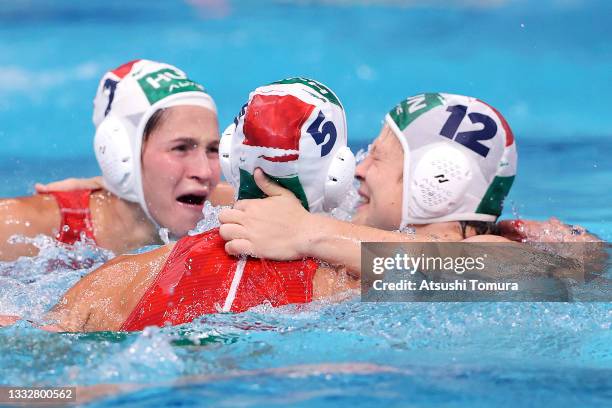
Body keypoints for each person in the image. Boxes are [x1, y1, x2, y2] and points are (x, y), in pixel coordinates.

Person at [25, 78, 360, 332]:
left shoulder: (118, 280)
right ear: (339, 175)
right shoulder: (347, 283)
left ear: (229, 158)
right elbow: (414, 268)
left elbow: (36, 340)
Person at [219, 93, 519, 275]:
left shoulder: (497, 263)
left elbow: (480, 266)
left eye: (377, 157)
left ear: (437, 180)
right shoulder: (358, 241)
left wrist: (305, 232)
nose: (360, 169)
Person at [0, 59, 233, 261]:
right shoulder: (24, 229)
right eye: (180, 148)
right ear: (120, 154)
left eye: (212, 149)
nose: (204, 172)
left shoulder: (227, 209)